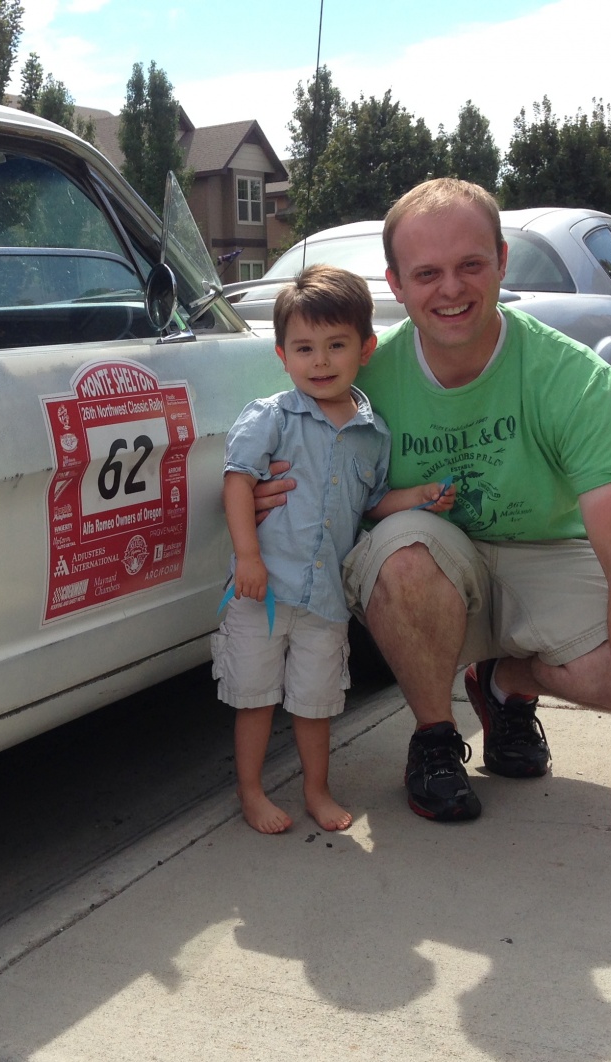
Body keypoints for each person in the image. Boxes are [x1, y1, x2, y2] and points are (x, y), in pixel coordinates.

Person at [253, 179, 611, 829]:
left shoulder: (573, 379)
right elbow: (293, 445)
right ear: (396, 284)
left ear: (502, 263)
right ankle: (435, 738)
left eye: (470, 265)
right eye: (427, 273)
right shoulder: (360, 377)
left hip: (544, 553)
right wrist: (270, 488)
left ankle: (507, 682)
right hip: (430, 564)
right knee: (402, 553)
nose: (450, 289)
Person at [218, 265, 454, 835]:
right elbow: (237, 481)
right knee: (255, 698)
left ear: (365, 349)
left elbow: (370, 503)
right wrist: (247, 557)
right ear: (282, 355)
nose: (319, 361)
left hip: (325, 601)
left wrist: (417, 498)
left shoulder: (374, 433)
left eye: (336, 345)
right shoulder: (272, 417)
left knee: (315, 702)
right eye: (304, 348)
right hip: (262, 590)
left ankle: (316, 790)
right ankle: (251, 791)